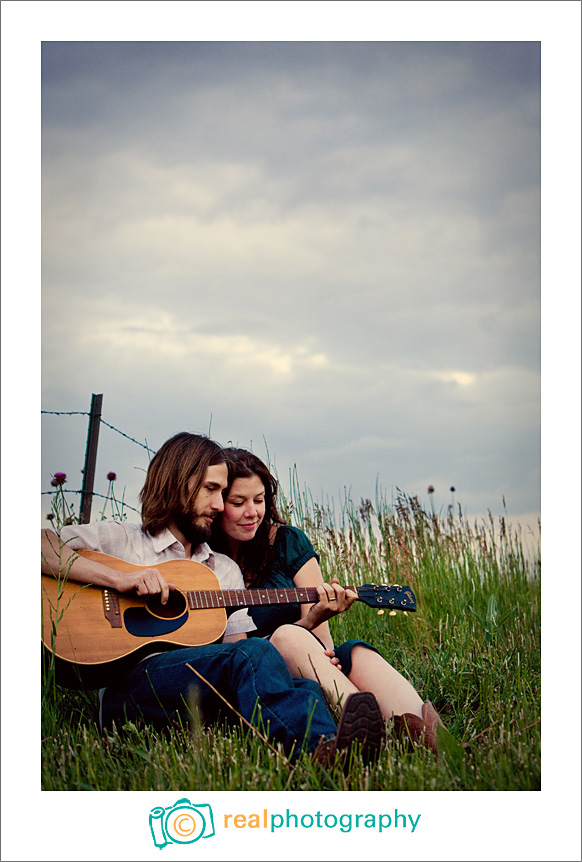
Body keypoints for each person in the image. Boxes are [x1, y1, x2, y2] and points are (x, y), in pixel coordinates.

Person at [41, 432, 385, 763]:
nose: (219, 505)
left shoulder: (221, 570)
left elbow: (243, 650)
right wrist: (121, 578)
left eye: (223, 493)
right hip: (129, 690)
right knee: (252, 658)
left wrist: (308, 622)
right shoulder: (123, 540)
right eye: (211, 490)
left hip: (195, 696)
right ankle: (315, 750)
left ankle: (336, 751)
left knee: (291, 681)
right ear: (178, 483)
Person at [210, 447, 445, 756]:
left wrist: (318, 624)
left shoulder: (288, 543)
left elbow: (322, 646)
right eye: (238, 502)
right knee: (286, 636)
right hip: (259, 679)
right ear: (216, 504)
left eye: (259, 500)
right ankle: (370, 736)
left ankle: (440, 744)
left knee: (355, 653)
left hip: (310, 658)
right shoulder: (203, 559)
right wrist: (300, 631)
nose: (252, 512)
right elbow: (232, 651)